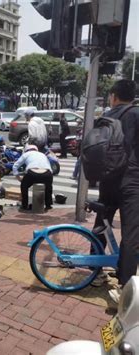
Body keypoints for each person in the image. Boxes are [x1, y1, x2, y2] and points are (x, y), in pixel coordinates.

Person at [92, 80, 139, 303]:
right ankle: (124, 283)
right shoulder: (137, 115)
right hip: (132, 182)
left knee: (101, 224)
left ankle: (95, 272)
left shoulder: (106, 118)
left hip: (108, 180)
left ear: (113, 96)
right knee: (131, 234)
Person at [13, 145, 53, 212]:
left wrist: (19, 178)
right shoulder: (42, 154)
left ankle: (24, 205)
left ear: (26, 150)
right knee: (48, 187)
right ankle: (48, 205)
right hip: (47, 174)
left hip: (33, 173)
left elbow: (15, 166)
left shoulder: (26, 154)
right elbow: (50, 168)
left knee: (24, 186)